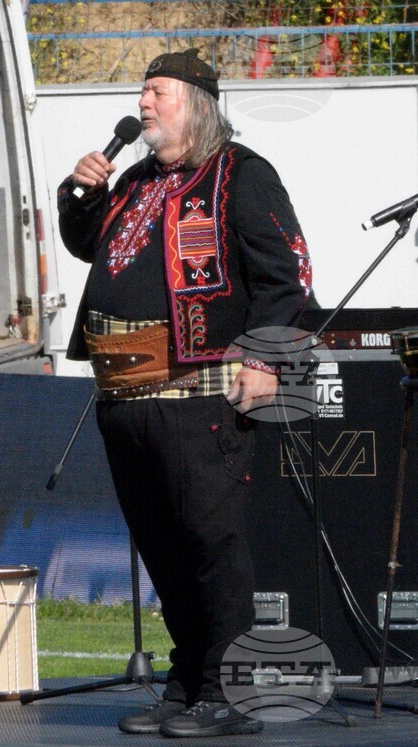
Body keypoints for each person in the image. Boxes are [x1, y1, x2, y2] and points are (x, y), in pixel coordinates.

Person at [57, 49, 312, 738]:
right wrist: (78, 194)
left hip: (197, 396)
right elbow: (89, 247)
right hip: (124, 396)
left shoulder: (240, 175)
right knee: (162, 547)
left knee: (209, 543)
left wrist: (264, 356)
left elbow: (287, 275)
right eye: (141, 93)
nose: (143, 104)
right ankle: (187, 679)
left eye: (157, 93)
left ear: (196, 102)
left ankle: (228, 690)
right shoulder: (136, 182)